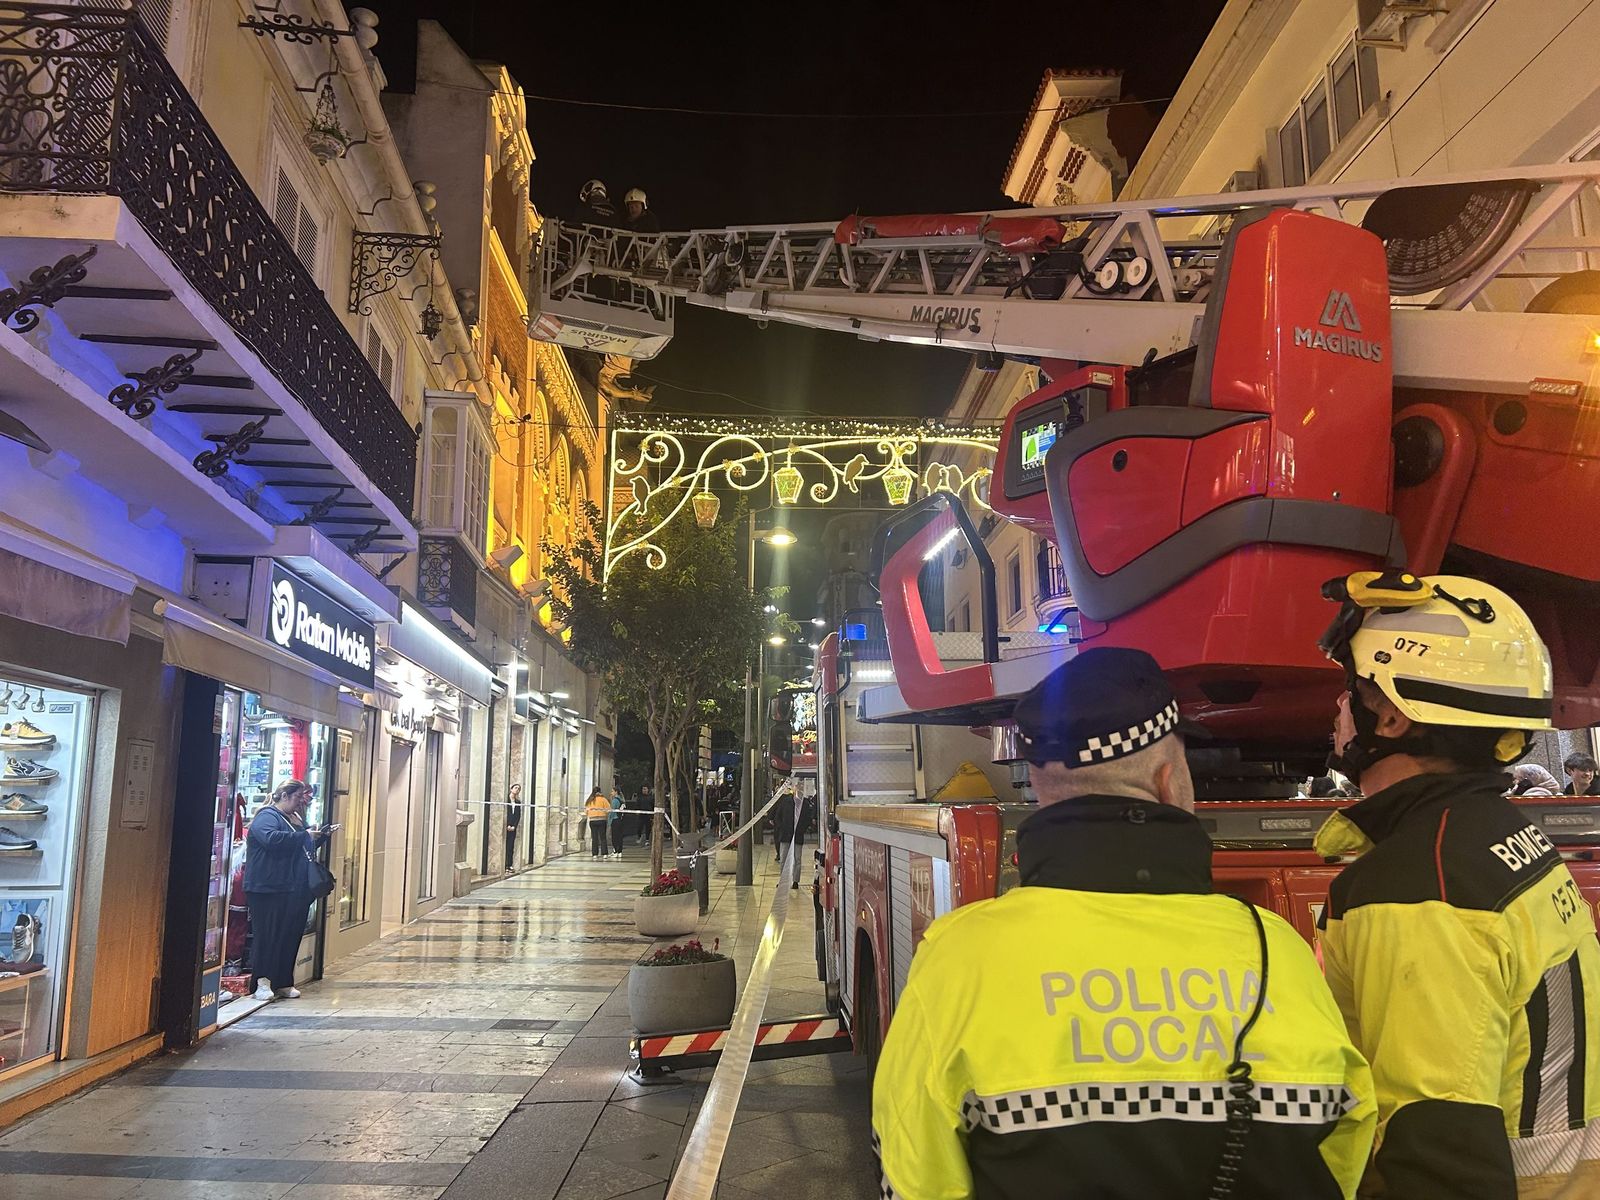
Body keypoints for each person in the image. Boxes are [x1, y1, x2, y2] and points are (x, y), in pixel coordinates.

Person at [874, 647, 1375, 1198]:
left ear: (1042, 792)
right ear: (1168, 782)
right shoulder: (1277, 950)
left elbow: (913, 1173)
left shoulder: (958, 957)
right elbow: (1347, 1144)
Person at [1315, 570, 1600, 1198]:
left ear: (1389, 716)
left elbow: (1438, 1151)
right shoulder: (1496, 840)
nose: (1339, 708)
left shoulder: (1419, 886)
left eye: (1351, 690)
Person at [243, 780, 329, 1001]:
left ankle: (283, 981)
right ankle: (262, 981)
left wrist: (319, 837)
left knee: (288, 935)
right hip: (267, 887)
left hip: (291, 887)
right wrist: (305, 836)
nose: (302, 801)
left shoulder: (296, 819)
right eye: (298, 796)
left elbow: (299, 846)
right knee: (267, 935)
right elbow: (272, 840)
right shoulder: (267, 816)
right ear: (284, 795)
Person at [584, 788, 611, 860]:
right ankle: (604, 853)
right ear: (600, 792)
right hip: (602, 820)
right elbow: (608, 809)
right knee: (602, 837)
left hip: (592, 820)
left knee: (594, 838)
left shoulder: (589, 800)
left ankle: (594, 854)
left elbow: (586, 811)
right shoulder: (603, 799)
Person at [505, 782, 522, 871]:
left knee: (511, 846)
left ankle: (509, 864)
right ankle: (504, 865)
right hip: (505, 826)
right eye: (515, 788)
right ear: (511, 789)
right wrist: (507, 824)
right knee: (505, 846)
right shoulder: (506, 800)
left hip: (513, 828)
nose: (517, 790)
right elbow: (504, 813)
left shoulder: (518, 802)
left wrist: (514, 826)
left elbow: (518, 816)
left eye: (519, 789)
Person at [608, 784, 625, 859]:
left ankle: (615, 851)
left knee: (614, 836)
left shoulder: (615, 800)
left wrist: (609, 821)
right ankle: (619, 851)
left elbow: (612, 811)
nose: (611, 793)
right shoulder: (622, 800)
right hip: (620, 820)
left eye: (612, 791)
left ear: (616, 792)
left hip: (615, 820)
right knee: (619, 836)